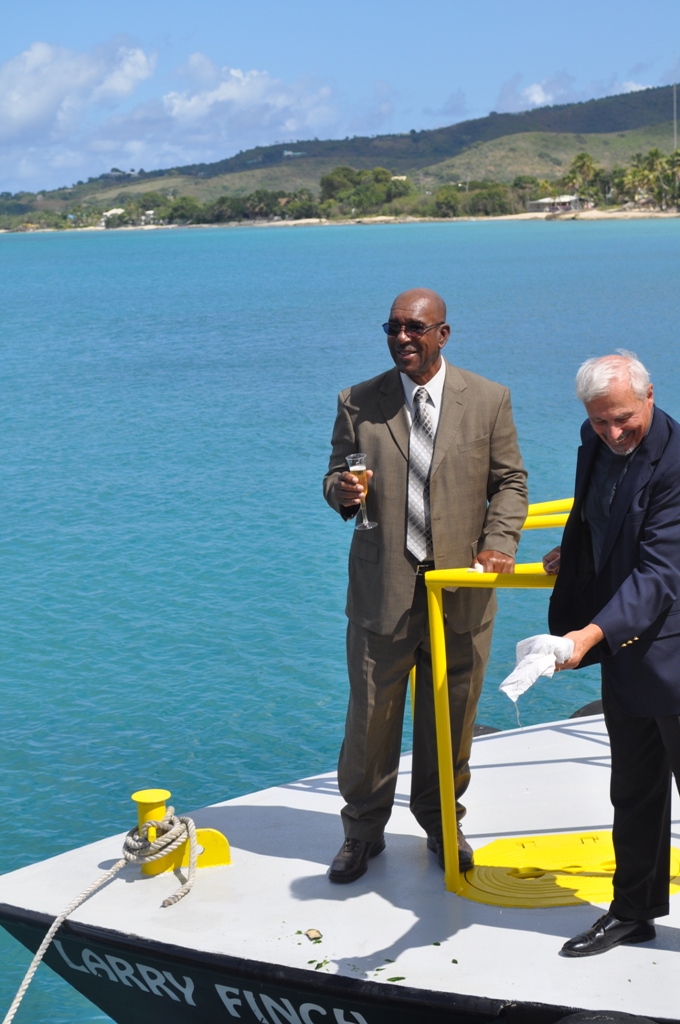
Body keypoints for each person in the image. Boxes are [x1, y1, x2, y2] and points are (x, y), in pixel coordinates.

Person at [323, 287, 528, 883]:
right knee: (370, 722)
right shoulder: (357, 401)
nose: (402, 338)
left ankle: (442, 825)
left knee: (452, 717)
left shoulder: (489, 399)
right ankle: (361, 833)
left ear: (443, 333)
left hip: (459, 594)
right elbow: (336, 473)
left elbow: (510, 482)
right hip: (381, 591)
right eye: (392, 327)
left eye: (415, 327)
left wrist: (499, 542)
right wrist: (340, 490)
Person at [545, 351, 680, 957]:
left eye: (623, 418)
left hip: (673, 653)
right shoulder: (594, 436)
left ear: (650, 395)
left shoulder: (678, 463)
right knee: (633, 789)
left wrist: (586, 637)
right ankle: (633, 911)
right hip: (628, 650)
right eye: (601, 421)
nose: (613, 432)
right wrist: (573, 556)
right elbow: (599, 512)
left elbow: (658, 573)